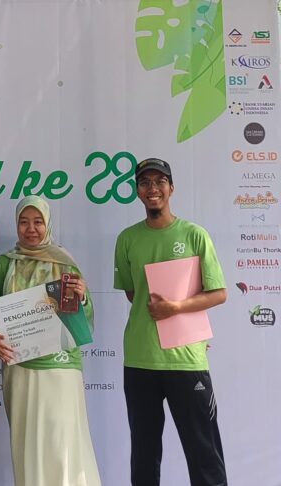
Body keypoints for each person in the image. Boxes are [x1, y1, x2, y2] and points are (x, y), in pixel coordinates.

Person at [113, 158, 228, 486]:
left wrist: (176, 308)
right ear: (138, 191)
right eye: (145, 182)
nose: (153, 189)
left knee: (204, 453)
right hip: (140, 360)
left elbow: (218, 293)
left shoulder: (194, 235)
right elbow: (134, 294)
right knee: (144, 454)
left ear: (171, 188)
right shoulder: (127, 239)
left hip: (186, 359)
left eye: (160, 181)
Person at [0, 195, 101, 486]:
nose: (31, 229)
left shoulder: (65, 263)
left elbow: (85, 321)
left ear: (48, 224)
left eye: (37, 222)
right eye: (24, 222)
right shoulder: (5, 263)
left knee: (63, 444)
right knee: (27, 445)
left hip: (61, 368)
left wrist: (82, 297)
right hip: (19, 368)